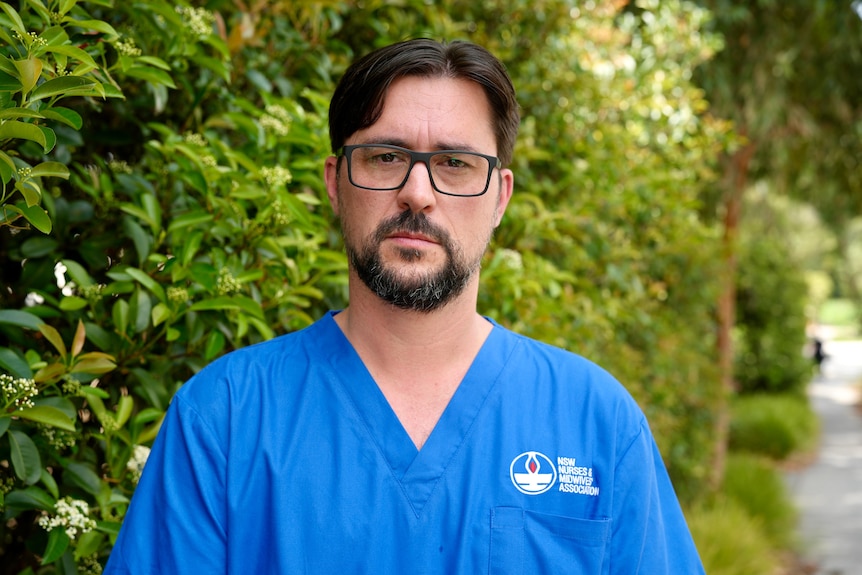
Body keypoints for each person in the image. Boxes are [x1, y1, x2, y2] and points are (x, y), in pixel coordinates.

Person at [104, 38, 705, 574]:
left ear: (500, 196)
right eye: (386, 156)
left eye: (455, 163)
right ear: (336, 183)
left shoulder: (598, 422)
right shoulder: (225, 419)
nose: (417, 192)